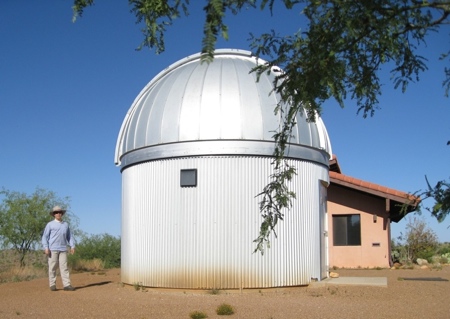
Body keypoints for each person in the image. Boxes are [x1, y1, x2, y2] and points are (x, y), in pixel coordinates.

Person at [42, 206, 76, 291]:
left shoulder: (65, 224)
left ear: (62, 213)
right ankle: (52, 285)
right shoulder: (50, 224)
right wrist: (46, 247)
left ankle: (67, 285)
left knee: (64, 267)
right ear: (54, 214)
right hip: (52, 249)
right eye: (56, 212)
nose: (58, 214)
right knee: (52, 267)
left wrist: (72, 246)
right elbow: (45, 237)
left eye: (60, 212)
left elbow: (69, 236)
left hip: (63, 249)